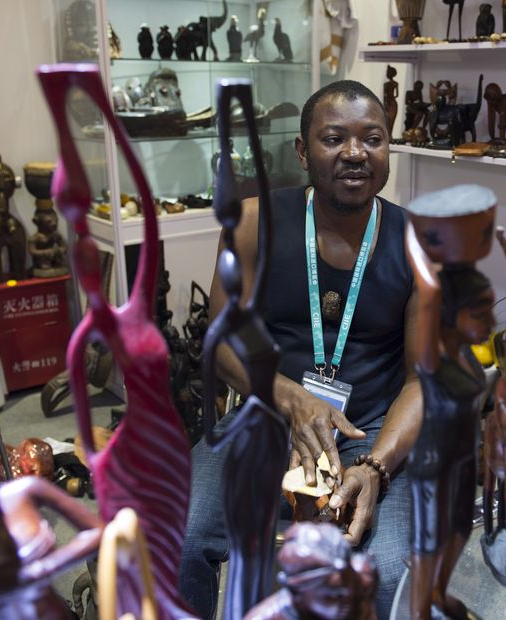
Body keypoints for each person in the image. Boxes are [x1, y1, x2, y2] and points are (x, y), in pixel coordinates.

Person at [179, 80, 422, 620]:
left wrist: (377, 468)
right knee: (181, 533)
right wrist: (290, 398)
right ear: (302, 151)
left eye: (373, 139)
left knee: (386, 572)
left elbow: (421, 380)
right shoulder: (251, 223)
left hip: (369, 434)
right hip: (265, 416)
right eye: (334, 138)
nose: (355, 153)